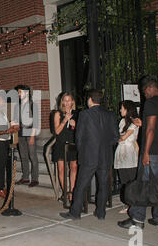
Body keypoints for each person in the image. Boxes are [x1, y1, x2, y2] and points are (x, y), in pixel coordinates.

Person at [118, 76, 158, 229]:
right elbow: (157, 126)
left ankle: (137, 219)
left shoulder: (150, 103)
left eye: (144, 91)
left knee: (141, 184)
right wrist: (142, 124)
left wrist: (146, 152)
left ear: (149, 88)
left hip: (152, 151)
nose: (144, 94)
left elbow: (151, 129)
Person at [60, 89, 119, 220]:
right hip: (105, 156)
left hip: (89, 156)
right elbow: (116, 137)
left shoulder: (85, 114)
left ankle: (75, 212)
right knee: (103, 185)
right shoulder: (110, 115)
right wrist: (104, 145)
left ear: (90, 100)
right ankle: (101, 212)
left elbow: (79, 137)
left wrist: (82, 151)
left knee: (81, 185)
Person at [0, 95, 19, 199]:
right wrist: (7, 131)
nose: (3, 103)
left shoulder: (2, 113)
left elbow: (5, 127)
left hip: (6, 142)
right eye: (1, 102)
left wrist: (13, 128)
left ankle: (3, 187)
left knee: (5, 165)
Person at [51, 92, 78, 202]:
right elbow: (56, 131)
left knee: (74, 167)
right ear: (62, 102)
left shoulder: (77, 113)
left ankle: (72, 192)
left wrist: (75, 125)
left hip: (72, 143)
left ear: (72, 101)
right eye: (64, 100)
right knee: (61, 169)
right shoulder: (58, 113)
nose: (67, 102)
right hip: (61, 143)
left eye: (69, 100)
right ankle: (65, 193)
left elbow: (81, 130)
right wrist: (65, 120)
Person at [114, 100, 139, 214]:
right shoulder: (122, 122)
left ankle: (134, 204)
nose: (120, 110)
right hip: (121, 152)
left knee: (131, 180)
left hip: (129, 152)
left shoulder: (135, 123)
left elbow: (124, 137)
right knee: (123, 179)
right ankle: (128, 204)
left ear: (128, 110)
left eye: (122, 108)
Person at [14, 85, 40, 187]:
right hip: (20, 134)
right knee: (23, 156)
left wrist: (32, 136)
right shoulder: (17, 106)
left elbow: (36, 122)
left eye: (20, 92)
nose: (18, 94)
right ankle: (25, 178)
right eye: (18, 92)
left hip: (30, 133)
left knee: (33, 156)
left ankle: (35, 179)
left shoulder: (33, 105)